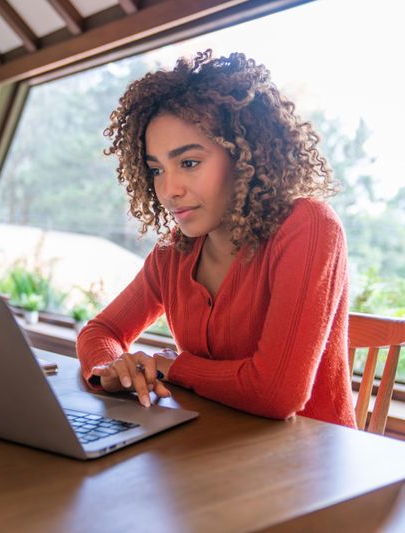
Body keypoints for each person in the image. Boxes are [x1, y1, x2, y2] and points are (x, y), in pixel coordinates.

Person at [77, 50, 356, 428]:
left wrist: (173, 367)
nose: (168, 189)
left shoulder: (308, 226)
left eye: (189, 163)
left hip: (311, 465)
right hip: (209, 449)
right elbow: (101, 331)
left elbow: (278, 393)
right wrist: (114, 368)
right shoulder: (174, 254)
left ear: (245, 156)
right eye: (156, 169)